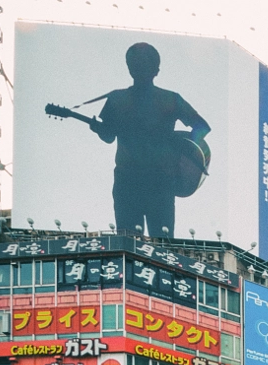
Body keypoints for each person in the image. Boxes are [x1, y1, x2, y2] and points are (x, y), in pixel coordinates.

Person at [88, 42, 211, 237]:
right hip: (150, 181)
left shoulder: (118, 99)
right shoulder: (168, 99)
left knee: (131, 243)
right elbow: (202, 127)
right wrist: (176, 143)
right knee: (160, 245)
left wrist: (177, 143)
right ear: (157, 70)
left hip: (138, 181)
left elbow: (108, 136)